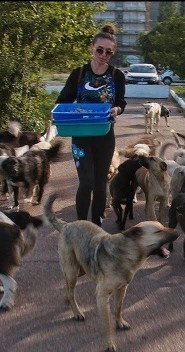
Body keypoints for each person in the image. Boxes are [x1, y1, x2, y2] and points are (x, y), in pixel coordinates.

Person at [55, 24, 127, 227]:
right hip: (81, 135)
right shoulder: (78, 74)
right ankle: (80, 227)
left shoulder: (116, 76)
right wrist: (61, 114)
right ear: (91, 48)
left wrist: (116, 110)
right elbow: (63, 100)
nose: (103, 55)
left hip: (105, 135)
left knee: (100, 183)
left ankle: (96, 225)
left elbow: (121, 102)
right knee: (86, 183)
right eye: (100, 50)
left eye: (109, 52)